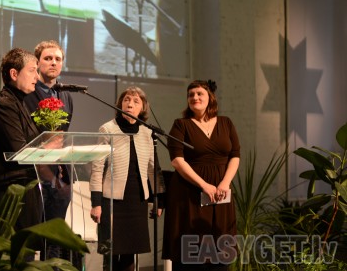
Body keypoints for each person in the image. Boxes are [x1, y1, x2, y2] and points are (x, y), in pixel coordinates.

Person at [162, 80, 241, 271]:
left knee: (221, 247)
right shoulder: (181, 125)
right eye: (191, 95)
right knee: (192, 248)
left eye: (199, 94)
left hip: (221, 192)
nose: (194, 97)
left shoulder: (226, 123)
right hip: (190, 192)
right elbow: (177, 160)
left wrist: (225, 183)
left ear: (210, 98)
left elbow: (235, 155)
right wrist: (204, 185)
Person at [89, 86, 165, 271]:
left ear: (143, 108)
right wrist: (96, 203)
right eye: (126, 100)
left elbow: (153, 169)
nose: (130, 104)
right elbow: (97, 168)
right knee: (110, 253)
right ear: (120, 104)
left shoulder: (147, 132)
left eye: (135, 101)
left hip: (136, 201)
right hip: (111, 201)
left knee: (131, 253)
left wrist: (159, 201)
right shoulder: (107, 129)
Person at [0, 48, 42, 229]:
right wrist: (48, 150)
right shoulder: (6, 105)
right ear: (14, 74)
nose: (37, 77)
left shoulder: (18, 102)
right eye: (32, 70)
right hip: (8, 194)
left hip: (21, 189)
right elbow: (19, 150)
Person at [24, 40, 74, 260]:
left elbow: (64, 133)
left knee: (54, 240)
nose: (53, 62)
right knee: (30, 237)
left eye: (57, 59)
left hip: (59, 177)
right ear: (37, 62)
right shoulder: (28, 93)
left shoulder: (66, 96)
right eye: (48, 58)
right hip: (35, 174)